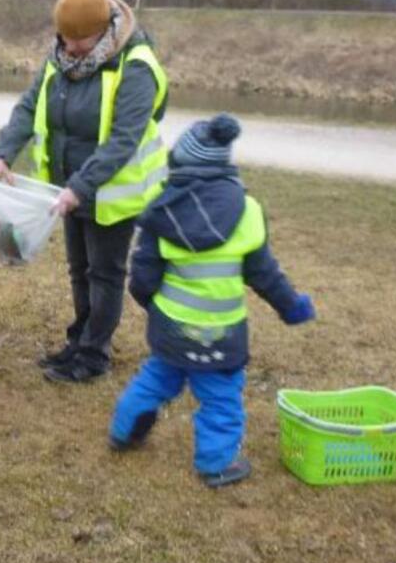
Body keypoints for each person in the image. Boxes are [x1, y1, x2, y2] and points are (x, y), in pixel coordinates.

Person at [108, 114, 315, 487]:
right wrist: (291, 306)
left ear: (178, 162)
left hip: (171, 327)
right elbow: (264, 273)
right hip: (222, 334)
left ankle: (124, 433)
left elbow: (142, 276)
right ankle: (216, 464)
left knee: (155, 380)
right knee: (221, 400)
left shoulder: (161, 208)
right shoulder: (248, 210)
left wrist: (154, 306)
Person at [0, 0, 168, 383]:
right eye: (64, 37)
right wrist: (3, 154)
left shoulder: (136, 66)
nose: (69, 47)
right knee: (79, 269)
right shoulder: (60, 58)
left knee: (104, 273)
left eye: (78, 40)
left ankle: (93, 354)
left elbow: (123, 139)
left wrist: (80, 188)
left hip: (113, 194)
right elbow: (29, 105)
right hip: (67, 190)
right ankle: (79, 339)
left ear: (101, 32)